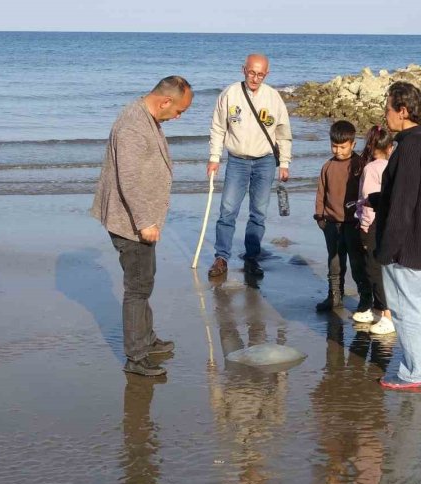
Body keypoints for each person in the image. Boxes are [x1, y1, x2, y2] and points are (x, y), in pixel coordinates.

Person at [89, 76, 193, 377]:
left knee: (145, 279)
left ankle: (147, 339)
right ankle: (136, 357)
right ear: (165, 101)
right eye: (179, 111)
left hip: (140, 220)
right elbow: (129, 181)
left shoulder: (147, 115)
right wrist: (145, 221)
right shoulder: (133, 126)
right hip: (131, 222)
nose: (178, 117)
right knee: (137, 288)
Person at [370, 81, 421, 390]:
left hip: (408, 240)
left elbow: (402, 207)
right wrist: (378, 200)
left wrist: (384, 250)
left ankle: (417, 373)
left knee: (403, 307)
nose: (385, 115)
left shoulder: (410, 147)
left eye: (387, 109)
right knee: (416, 300)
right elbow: (412, 193)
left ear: (402, 111)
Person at [207, 54, 292, 279]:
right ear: (243, 69)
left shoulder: (273, 98)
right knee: (227, 210)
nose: (255, 78)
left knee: (258, 213)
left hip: (265, 162)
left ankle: (251, 258)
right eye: (252, 72)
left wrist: (284, 163)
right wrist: (215, 157)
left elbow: (283, 133)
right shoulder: (230, 94)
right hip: (237, 160)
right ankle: (221, 257)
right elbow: (218, 128)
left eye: (260, 74)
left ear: (267, 74)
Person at [313, 120, 372, 313]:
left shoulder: (360, 165)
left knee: (357, 264)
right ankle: (334, 297)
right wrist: (320, 216)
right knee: (335, 263)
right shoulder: (327, 167)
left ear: (353, 144)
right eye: (334, 146)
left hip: (354, 224)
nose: (338, 151)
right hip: (331, 223)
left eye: (342, 147)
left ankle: (365, 300)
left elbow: (367, 192)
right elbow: (321, 191)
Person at [352, 125, 395, 335]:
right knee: (381, 268)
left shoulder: (371, 169)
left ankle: (386, 314)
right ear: (390, 147)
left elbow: (369, 200)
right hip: (388, 224)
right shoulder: (391, 167)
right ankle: (379, 310)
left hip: (372, 225)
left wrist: (365, 225)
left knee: (373, 269)